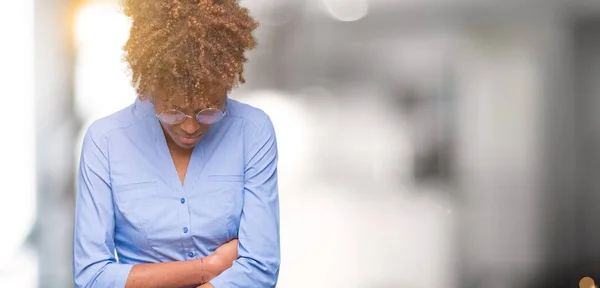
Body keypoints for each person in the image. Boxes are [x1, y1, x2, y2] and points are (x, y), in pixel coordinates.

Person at [72, 0, 280, 287]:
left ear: (226, 82)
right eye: (174, 110)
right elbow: (92, 276)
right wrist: (211, 266)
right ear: (150, 85)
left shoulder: (253, 131)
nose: (191, 126)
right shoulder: (105, 141)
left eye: (209, 109)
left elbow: (260, 268)